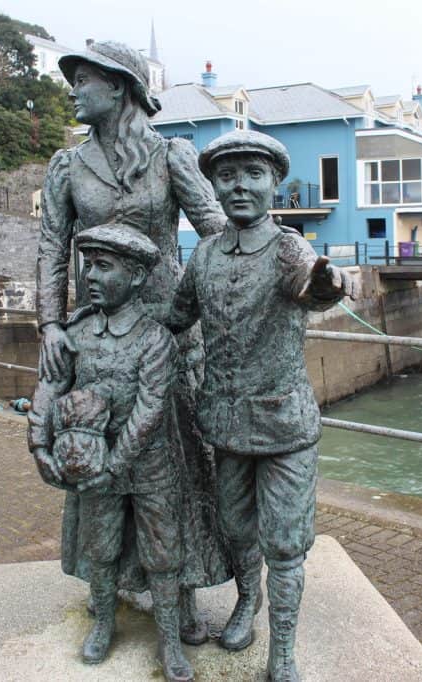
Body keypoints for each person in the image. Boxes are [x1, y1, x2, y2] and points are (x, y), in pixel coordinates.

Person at [36, 39, 230, 641]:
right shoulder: (67, 166)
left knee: (182, 463)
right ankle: (113, 581)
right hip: (95, 334)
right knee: (102, 450)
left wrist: (238, 292)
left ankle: (185, 590)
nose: (74, 91)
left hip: (170, 331)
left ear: (119, 87)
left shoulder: (171, 156)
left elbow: (217, 234)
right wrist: (48, 323)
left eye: (84, 80)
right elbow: (51, 247)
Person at [167, 130, 359, 682]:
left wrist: (329, 282)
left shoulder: (288, 248)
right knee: (234, 525)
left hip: (284, 425)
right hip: (225, 424)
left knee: (285, 542)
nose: (239, 186)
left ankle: (283, 650)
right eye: (226, 176)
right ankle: (246, 601)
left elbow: (311, 283)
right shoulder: (203, 255)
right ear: (214, 186)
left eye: (252, 174)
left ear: (275, 182)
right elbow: (177, 315)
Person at [28, 224, 193, 681]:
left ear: (138, 276)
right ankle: (103, 621)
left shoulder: (155, 339)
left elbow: (150, 410)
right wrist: (39, 443)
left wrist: (115, 464)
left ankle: (170, 640)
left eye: (105, 266)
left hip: (149, 466)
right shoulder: (76, 332)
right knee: (98, 548)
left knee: (164, 552)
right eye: (88, 266)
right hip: (92, 465)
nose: (90, 276)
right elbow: (50, 386)